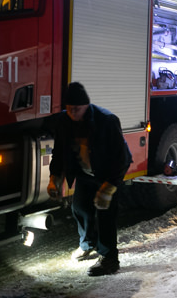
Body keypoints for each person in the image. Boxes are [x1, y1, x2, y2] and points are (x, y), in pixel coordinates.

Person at [45, 82, 132, 276]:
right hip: (85, 173)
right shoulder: (64, 121)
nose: (73, 113)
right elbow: (59, 153)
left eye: (77, 109)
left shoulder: (107, 121)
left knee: (105, 214)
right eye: (69, 108)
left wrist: (108, 189)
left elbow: (123, 158)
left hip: (107, 175)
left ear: (86, 105)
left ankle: (109, 259)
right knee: (80, 208)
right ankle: (87, 245)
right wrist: (55, 178)